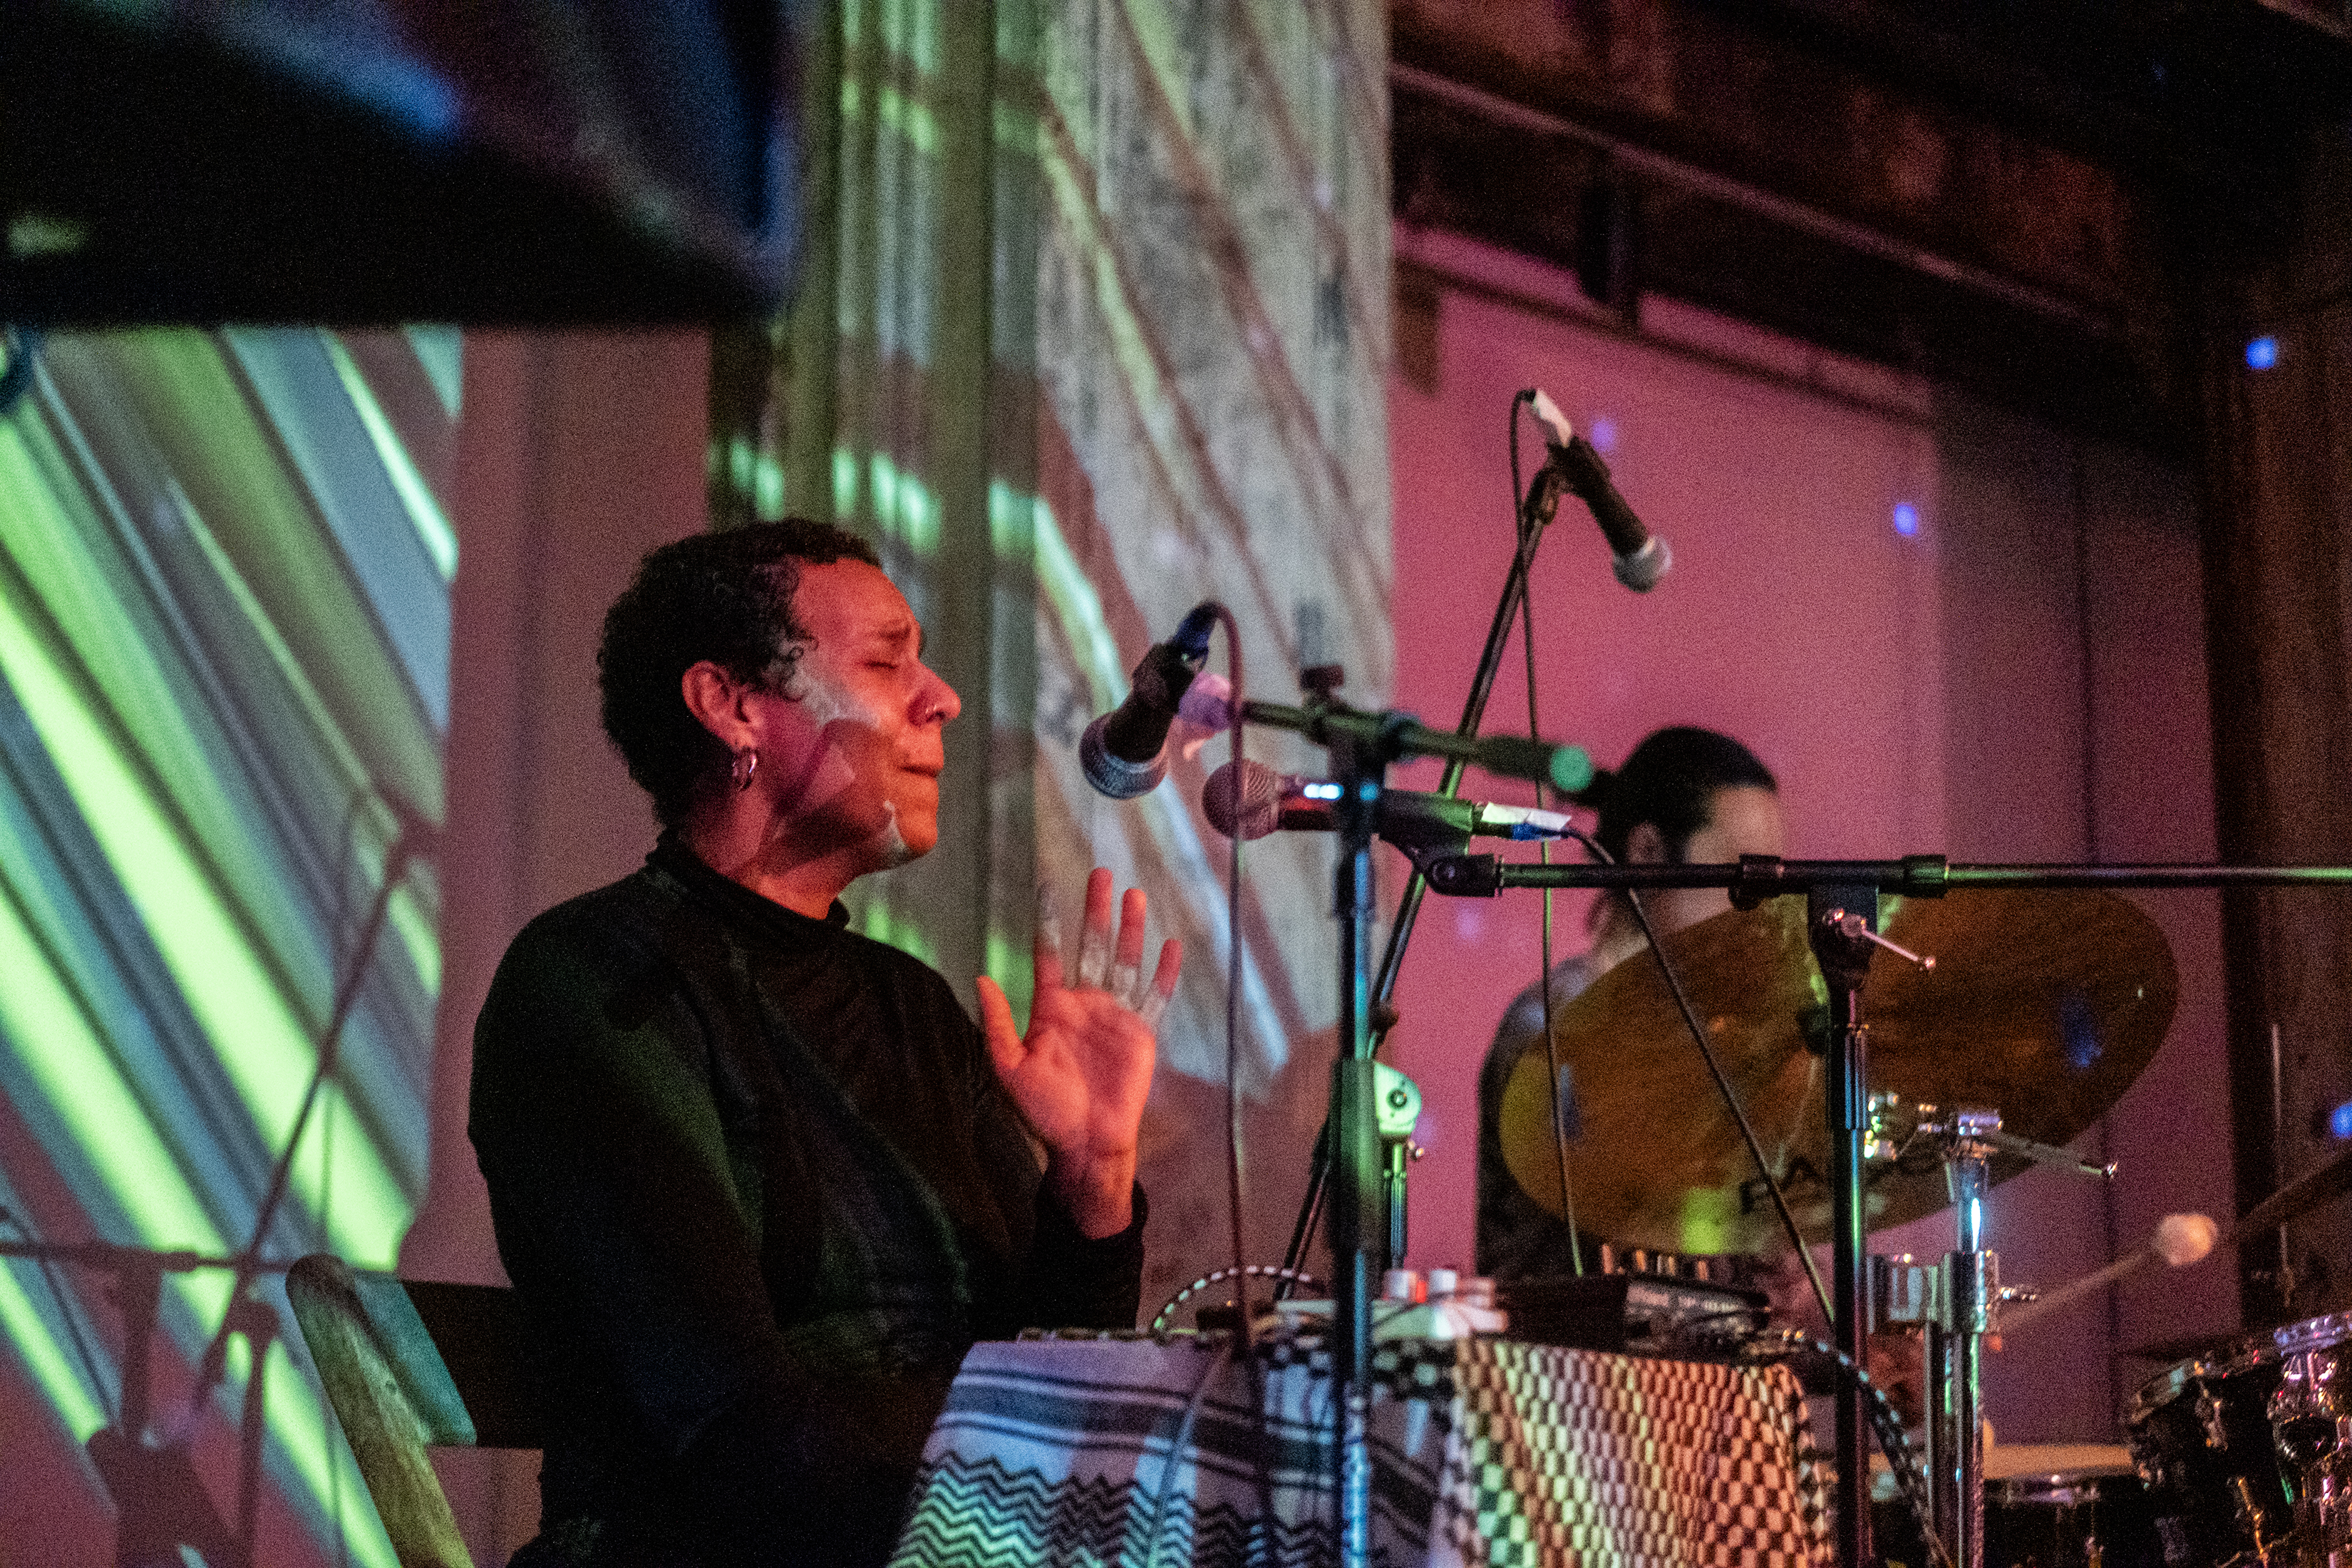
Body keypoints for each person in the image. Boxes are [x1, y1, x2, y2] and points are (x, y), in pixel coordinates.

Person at [470, 520, 1182, 1568]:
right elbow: (731, 1425)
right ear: (734, 706)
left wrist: (1092, 1181)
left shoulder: (912, 1005)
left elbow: (1046, 1378)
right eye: (888, 661)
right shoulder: (591, 981)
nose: (939, 698)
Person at [1472, 726, 1784, 1283]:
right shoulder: (1553, 1025)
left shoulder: (1728, 1031)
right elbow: (1624, 1216)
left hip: (1692, 1365)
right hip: (1572, 1363)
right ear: (1646, 853)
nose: (1763, 909)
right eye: (1740, 876)